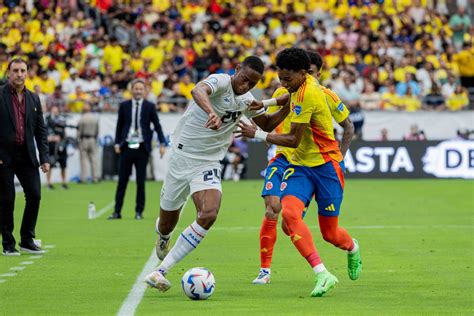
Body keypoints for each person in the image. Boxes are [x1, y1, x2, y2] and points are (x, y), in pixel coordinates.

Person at [144, 56, 290, 292]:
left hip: (208, 162)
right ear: (236, 69)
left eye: (252, 84)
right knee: (167, 223)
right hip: (182, 158)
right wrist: (211, 111)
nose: (245, 87)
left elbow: (268, 124)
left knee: (209, 213)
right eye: (244, 80)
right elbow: (197, 89)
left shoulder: (246, 99)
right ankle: (163, 235)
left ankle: (160, 271)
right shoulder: (220, 81)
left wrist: (290, 106)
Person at [237, 48, 362, 297]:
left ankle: (352, 247)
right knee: (289, 216)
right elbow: (287, 98)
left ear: (304, 74)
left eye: (287, 79)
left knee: (331, 234)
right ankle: (322, 273)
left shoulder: (313, 94)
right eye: (280, 78)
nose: (283, 84)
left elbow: (294, 139)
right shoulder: (301, 84)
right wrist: (265, 103)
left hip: (326, 167)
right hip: (301, 166)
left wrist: (258, 134)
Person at [0, 58, 49, 256]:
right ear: (8, 73)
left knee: (35, 195)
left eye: (23, 70)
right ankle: (8, 243)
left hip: (27, 155)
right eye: (16, 70)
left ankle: (27, 240)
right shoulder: (0, 94)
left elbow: (40, 129)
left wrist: (45, 157)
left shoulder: (34, 98)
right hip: (3, 157)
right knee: (7, 199)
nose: (19, 74)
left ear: (27, 73)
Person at [109, 79, 167, 220]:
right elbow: (119, 125)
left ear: (144, 91)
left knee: (141, 182)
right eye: (136, 88)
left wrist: (162, 143)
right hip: (126, 147)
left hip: (142, 148)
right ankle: (117, 212)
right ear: (131, 90)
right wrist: (117, 143)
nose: (138, 91)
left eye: (141, 89)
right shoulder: (124, 106)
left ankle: (139, 212)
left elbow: (157, 125)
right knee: (122, 181)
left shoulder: (150, 106)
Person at [45, 105, 69, 189]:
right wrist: (51, 138)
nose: (55, 112)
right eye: (53, 111)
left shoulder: (61, 121)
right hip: (51, 146)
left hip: (61, 146)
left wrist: (62, 140)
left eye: (56, 111)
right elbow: (44, 135)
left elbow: (64, 133)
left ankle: (64, 183)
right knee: (50, 164)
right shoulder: (47, 121)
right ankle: (49, 183)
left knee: (63, 164)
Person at [77, 102, 99, 183]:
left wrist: (78, 140)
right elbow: (97, 131)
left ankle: (84, 178)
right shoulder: (95, 118)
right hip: (93, 139)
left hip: (84, 139)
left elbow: (79, 131)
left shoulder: (82, 118)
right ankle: (95, 178)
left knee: (83, 160)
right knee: (94, 159)